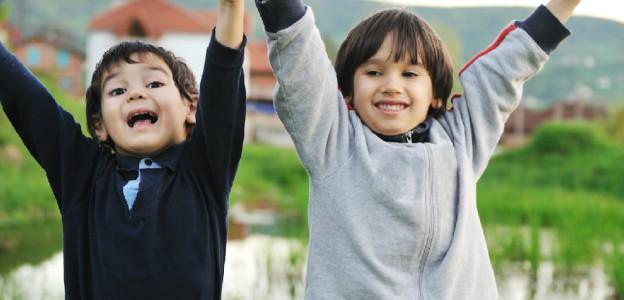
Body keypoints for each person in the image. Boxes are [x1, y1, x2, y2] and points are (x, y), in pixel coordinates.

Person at [254, 0, 580, 298]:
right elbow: (301, 64)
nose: (391, 85)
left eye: (410, 73)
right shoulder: (332, 143)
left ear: (436, 94)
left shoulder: (461, 142)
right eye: (373, 72)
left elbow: (506, 68)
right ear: (348, 90)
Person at [0, 0, 245, 298]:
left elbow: (223, 77)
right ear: (100, 124)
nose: (136, 93)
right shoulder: (85, 178)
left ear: (191, 106)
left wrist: (232, 8)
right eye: (118, 90)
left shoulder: (204, 171)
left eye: (154, 83)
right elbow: (30, 103)